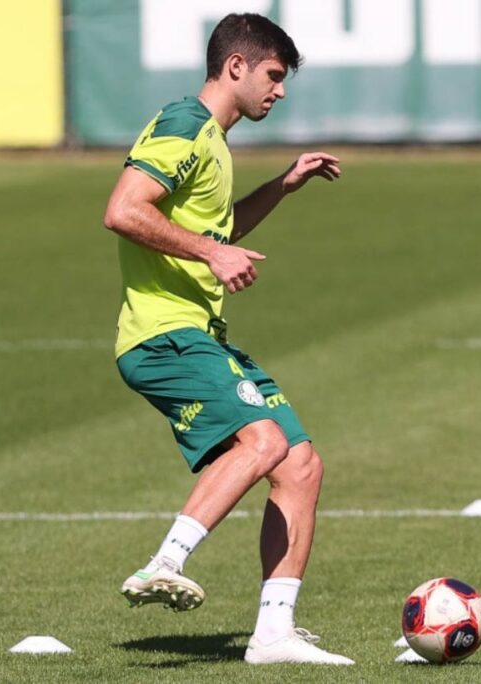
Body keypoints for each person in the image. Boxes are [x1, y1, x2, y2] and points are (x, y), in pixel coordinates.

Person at [102, 13, 350, 666]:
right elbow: (124, 210)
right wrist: (210, 255)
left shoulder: (213, 140)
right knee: (263, 440)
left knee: (299, 462)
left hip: (199, 333)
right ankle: (165, 561)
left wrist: (283, 187)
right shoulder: (185, 125)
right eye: (273, 75)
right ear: (235, 66)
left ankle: (273, 634)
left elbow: (216, 229)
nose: (281, 91)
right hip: (162, 335)